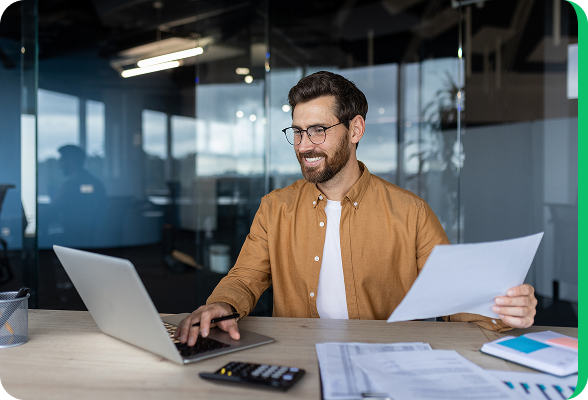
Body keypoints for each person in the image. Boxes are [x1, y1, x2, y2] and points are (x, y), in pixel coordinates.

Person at [176, 71, 537, 347]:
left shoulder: (410, 213)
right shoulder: (276, 208)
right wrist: (221, 305)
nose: (304, 145)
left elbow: (455, 296)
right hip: (300, 354)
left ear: (355, 129)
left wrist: (504, 310)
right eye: (298, 132)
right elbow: (244, 279)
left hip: (388, 361)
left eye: (318, 130)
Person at [51, 144, 106, 247]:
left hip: (73, 241)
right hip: (94, 241)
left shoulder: (70, 186)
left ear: (71, 161)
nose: (59, 165)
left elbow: (52, 211)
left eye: (62, 160)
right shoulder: (97, 183)